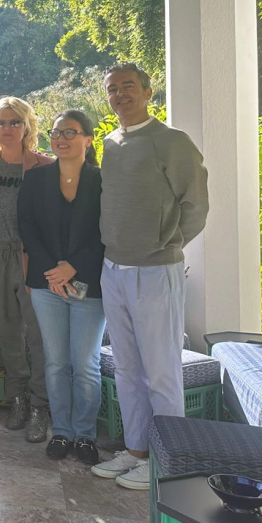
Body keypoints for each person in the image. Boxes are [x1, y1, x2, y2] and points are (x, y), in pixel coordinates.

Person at [90, 62, 209, 490]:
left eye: (127, 87)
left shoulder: (172, 142)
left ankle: (167, 461)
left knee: (161, 370)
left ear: (146, 91)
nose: (120, 94)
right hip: (113, 268)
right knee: (126, 366)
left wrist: (167, 245)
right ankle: (137, 450)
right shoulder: (112, 142)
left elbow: (196, 204)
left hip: (156, 271)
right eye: (112, 89)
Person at [18, 110, 106, 464]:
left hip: (92, 284)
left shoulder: (103, 181)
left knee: (85, 363)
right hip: (47, 284)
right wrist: (54, 271)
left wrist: (75, 266)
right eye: (56, 132)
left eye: (70, 132)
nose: (61, 138)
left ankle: (85, 436)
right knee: (55, 362)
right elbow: (27, 228)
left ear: (88, 139)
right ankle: (63, 432)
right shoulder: (36, 179)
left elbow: (107, 232)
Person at [0, 96, 54, 441]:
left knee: (37, 337)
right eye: (0, 123)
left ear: (27, 126)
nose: (7, 129)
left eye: (14, 122)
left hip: (32, 259)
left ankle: (40, 406)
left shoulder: (45, 166)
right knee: (7, 334)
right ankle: (17, 398)